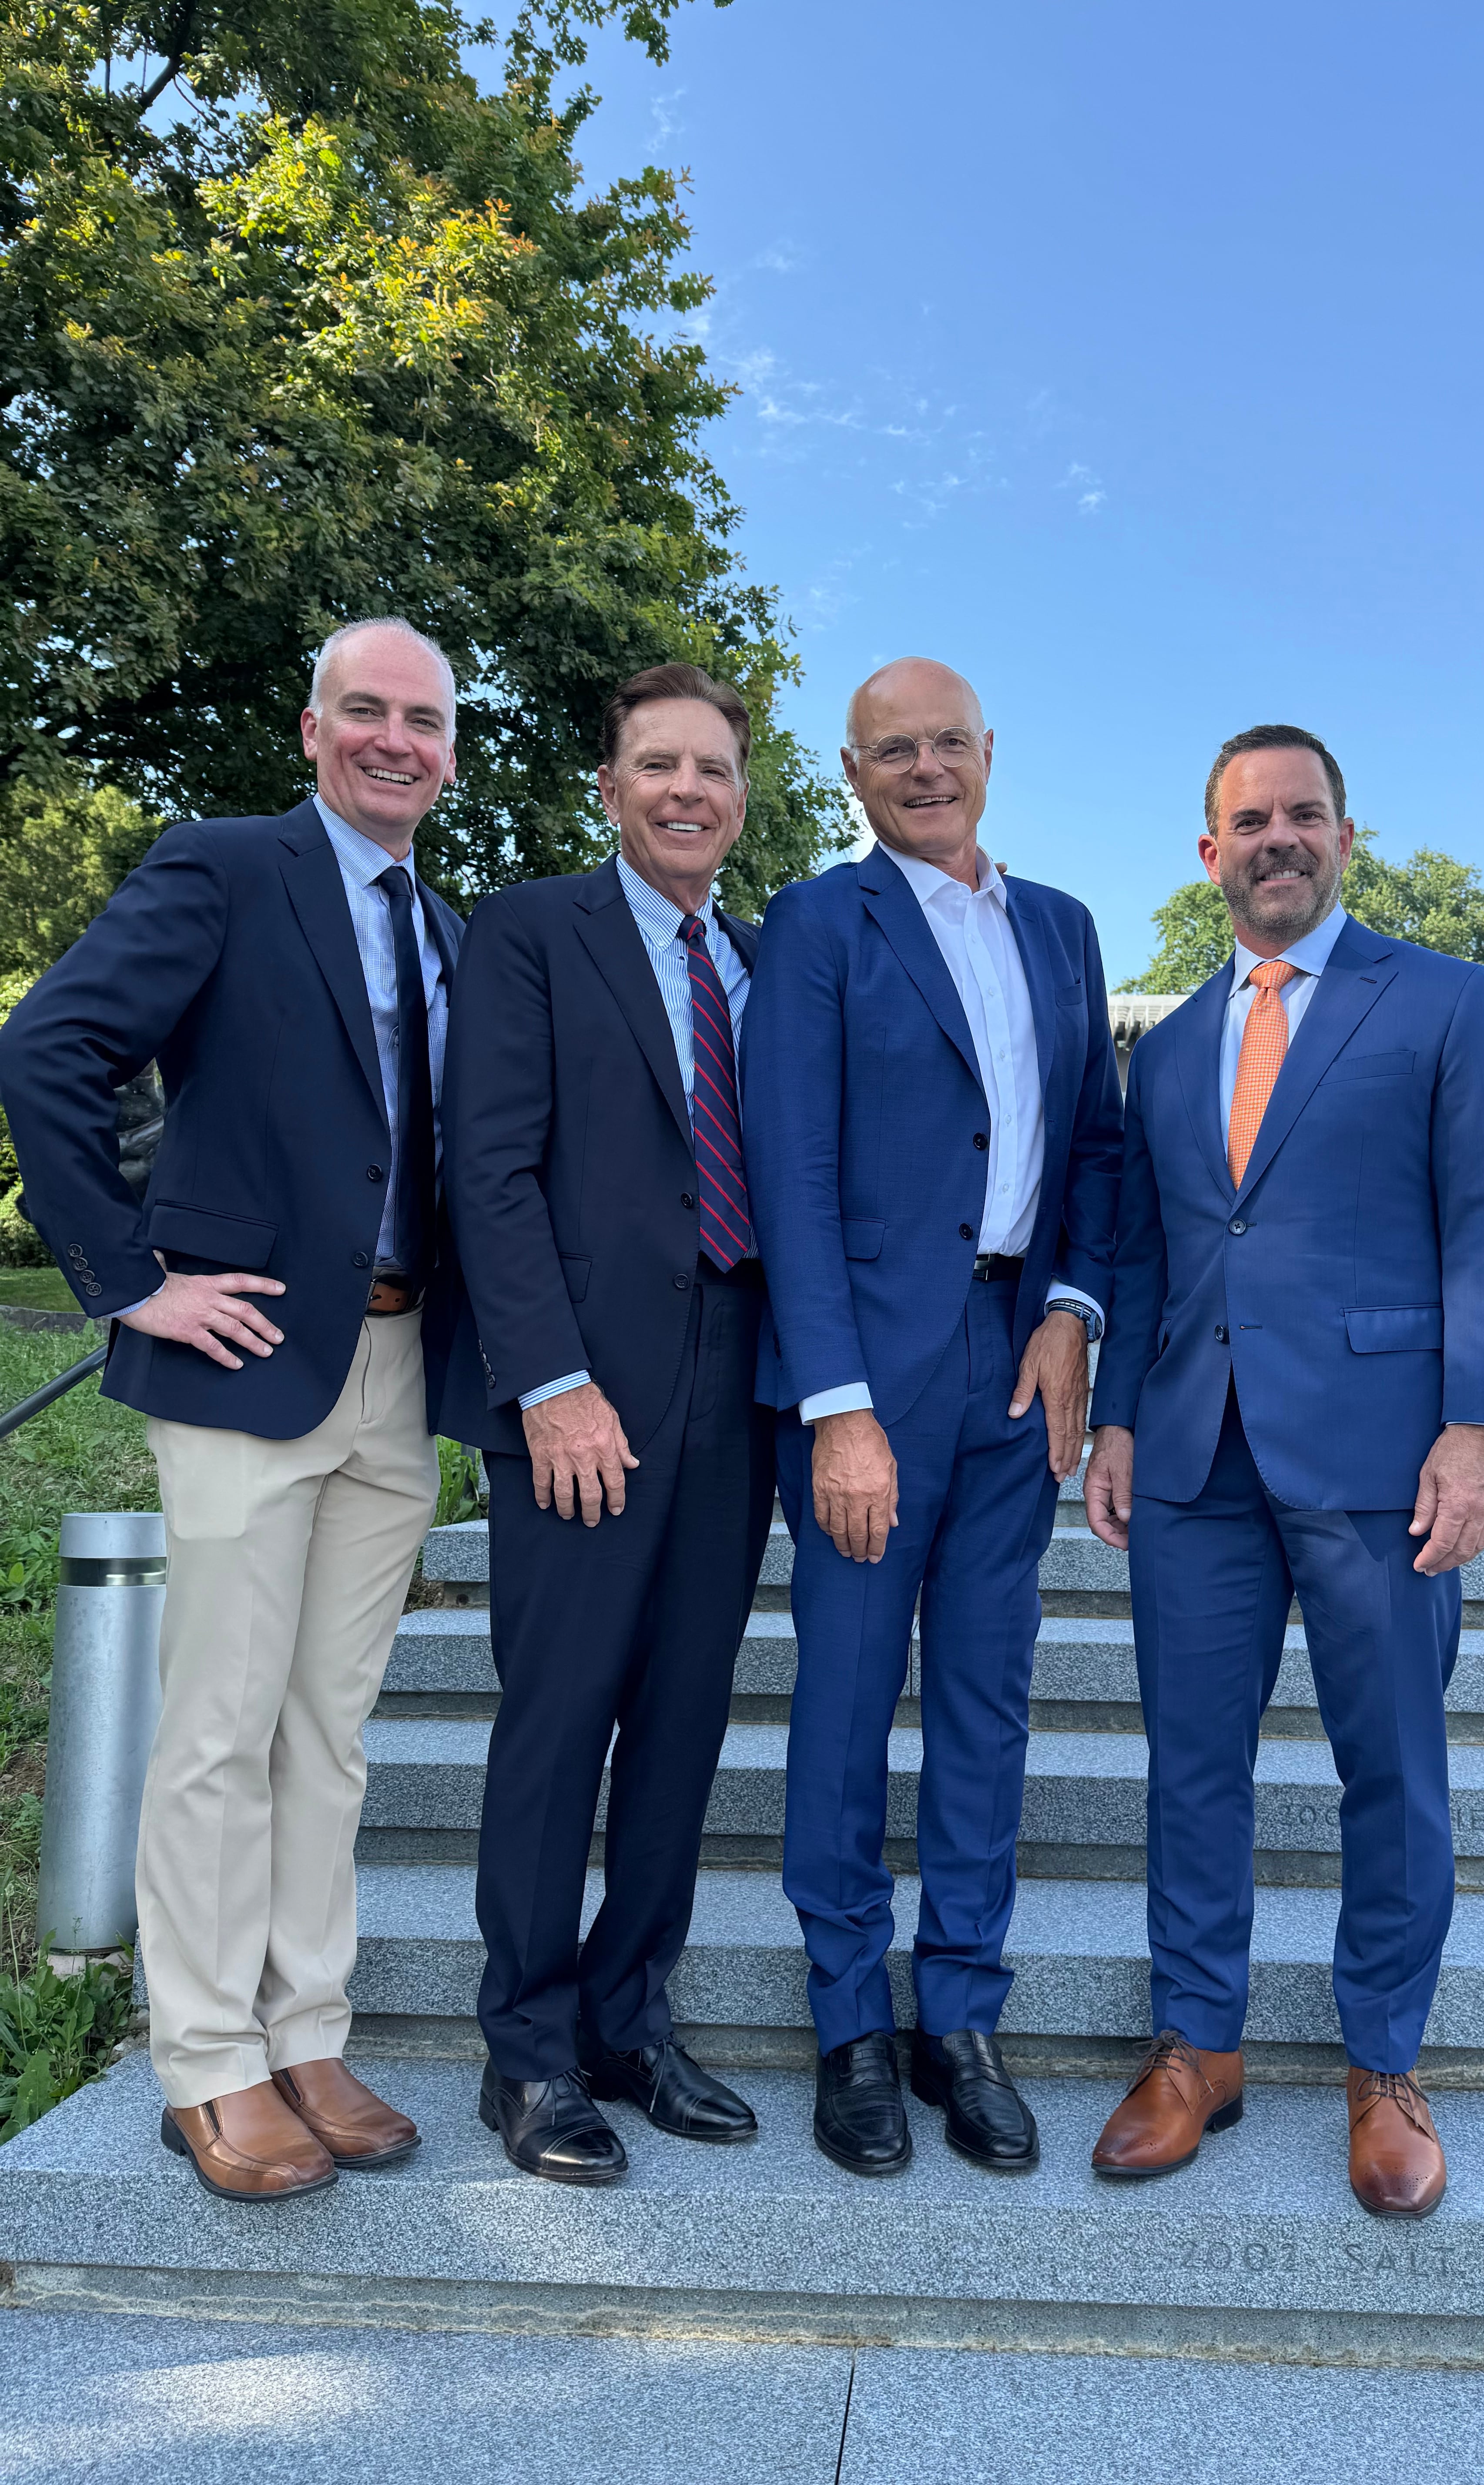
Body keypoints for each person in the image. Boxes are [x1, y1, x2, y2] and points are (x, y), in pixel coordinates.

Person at [0, 618, 464, 2200]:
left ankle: (306, 2027)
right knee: (216, 1730)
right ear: (315, 726)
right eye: (367, 713)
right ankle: (205, 2060)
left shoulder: (445, 929)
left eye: (424, 719)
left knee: (326, 1733)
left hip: (396, 1371)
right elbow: (50, 1046)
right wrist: (128, 1281)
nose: (396, 740)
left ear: (450, 748)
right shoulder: (226, 865)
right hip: (242, 1356)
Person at [1082, 723, 1484, 2215]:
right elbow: (1155, 1246)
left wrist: (1479, 1429)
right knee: (1190, 1769)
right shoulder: (1166, 1043)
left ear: (1345, 835)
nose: (1275, 839)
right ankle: (1195, 2048)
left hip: (1378, 1457)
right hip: (1192, 1455)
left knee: (1392, 1770)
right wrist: (1113, 1420)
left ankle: (1384, 2064)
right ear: (1204, 850)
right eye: (1246, 819)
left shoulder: (1447, 1002)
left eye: (1303, 815)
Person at [740, 658, 1123, 2177]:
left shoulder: (1063, 929)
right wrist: (837, 1405)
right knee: (842, 1700)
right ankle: (848, 2020)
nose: (923, 769)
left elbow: (1096, 1149)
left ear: (989, 752)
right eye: (889, 751)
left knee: (985, 1697)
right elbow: (790, 1175)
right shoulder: (819, 925)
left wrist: (1073, 1316)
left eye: (946, 743)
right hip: (867, 1381)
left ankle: (956, 2014)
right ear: (852, 773)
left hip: (1014, 1363)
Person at [439, 662, 772, 2185]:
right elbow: (488, 1172)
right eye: (659, 765)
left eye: (711, 767)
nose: (686, 790)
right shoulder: (528, 934)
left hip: (737, 1384)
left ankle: (631, 2019)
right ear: (613, 785)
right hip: (585, 1392)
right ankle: (527, 2050)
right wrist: (551, 1382)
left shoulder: (764, 962)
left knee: (682, 1723)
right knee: (560, 1717)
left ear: (743, 793)